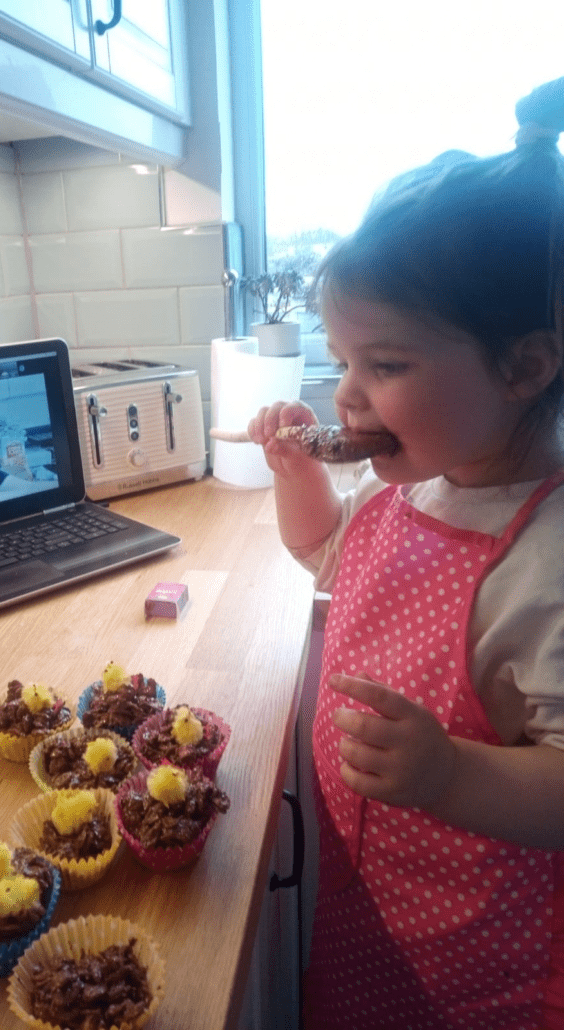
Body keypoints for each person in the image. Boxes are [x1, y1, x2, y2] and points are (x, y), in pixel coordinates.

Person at [248, 77, 564, 1029]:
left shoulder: (544, 559)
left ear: (522, 366)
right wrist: (293, 474)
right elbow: (324, 558)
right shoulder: (419, 482)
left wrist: (449, 775)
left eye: (383, 366)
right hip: (370, 900)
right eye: (341, 360)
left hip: (480, 963)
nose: (345, 397)